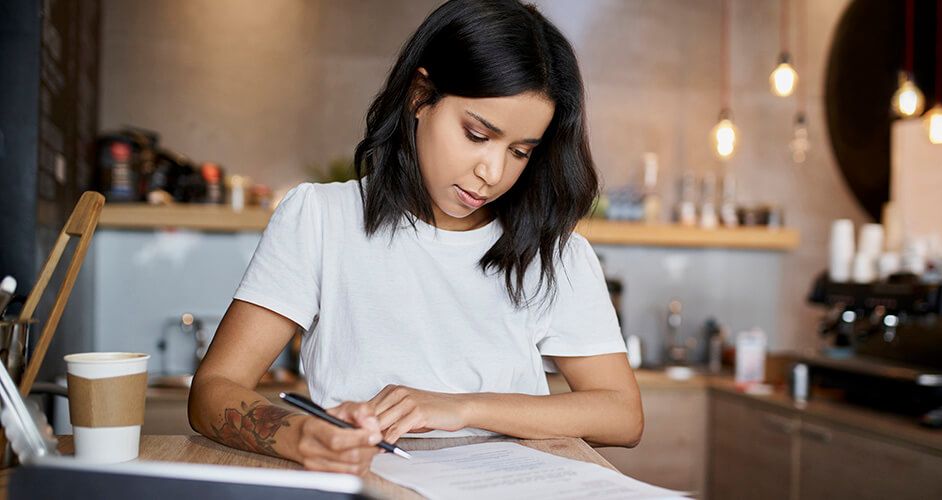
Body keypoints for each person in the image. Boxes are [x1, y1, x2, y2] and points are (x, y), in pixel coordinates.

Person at [189, 0, 642, 475]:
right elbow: (213, 388)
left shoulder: (555, 252)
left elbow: (622, 416)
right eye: (476, 134)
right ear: (420, 97)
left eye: (520, 152)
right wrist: (300, 434)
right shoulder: (322, 218)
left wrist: (460, 408)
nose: (492, 172)